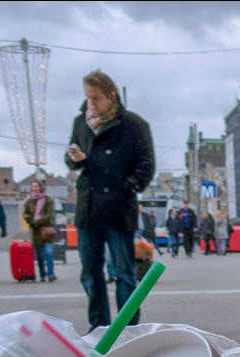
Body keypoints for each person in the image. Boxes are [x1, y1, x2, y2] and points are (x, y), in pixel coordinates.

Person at [65, 69, 154, 330]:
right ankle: (98, 328)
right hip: (88, 208)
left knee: (125, 274)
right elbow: (70, 156)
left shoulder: (134, 125)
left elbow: (146, 165)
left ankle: (128, 329)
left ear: (111, 95)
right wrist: (73, 157)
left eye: (96, 98)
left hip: (118, 207)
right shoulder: (81, 122)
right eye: (88, 98)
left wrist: (128, 188)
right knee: (90, 273)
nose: (91, 103)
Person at [22, 179, 56, 282]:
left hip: (46, 230)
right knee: (39, 255)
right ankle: (42, 275)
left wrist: (35, 222)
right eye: (33, 187)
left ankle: (51, 274)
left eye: (36, 186)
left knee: (48, 252)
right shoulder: (29, 201)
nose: (35, 189)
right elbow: (25, 213)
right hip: (35, 232)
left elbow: (49, 216)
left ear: (41, 187)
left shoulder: (48, 200)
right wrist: (27, 218)